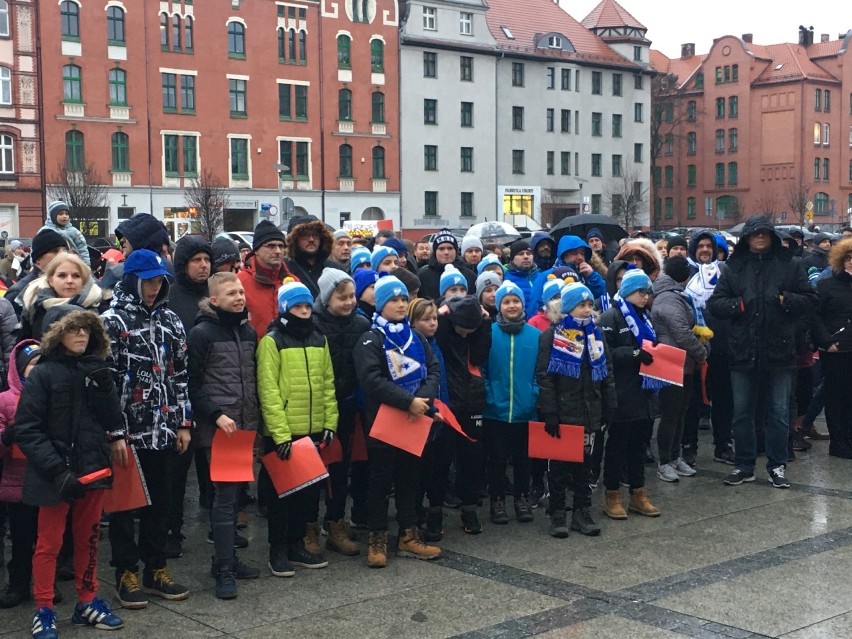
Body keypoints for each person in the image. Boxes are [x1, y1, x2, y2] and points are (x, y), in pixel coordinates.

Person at [14, 307, 124, 638]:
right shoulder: (43, 374)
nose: (80, 335)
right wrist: (56, 471)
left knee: (88, 540)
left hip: (92, 471)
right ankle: (44, 608)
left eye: (86, 330)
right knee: (48, 543)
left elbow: (110, 420)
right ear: (57, 334)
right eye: (72, 329)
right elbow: (28, 428)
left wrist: (105, 390)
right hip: (55, 476)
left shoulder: (98, 369)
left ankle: (87, 600)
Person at [101, 249, 191, 609]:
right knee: (124, 505)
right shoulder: (112, 321)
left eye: (158, 281)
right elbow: (104, 382)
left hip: (164, 429)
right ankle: (126, 570)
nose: (154, 288)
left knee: (160, 501)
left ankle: (156, 567)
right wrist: (115, 431)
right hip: (128, 431)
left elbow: (181, 374)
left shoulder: (171, 320)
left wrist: (183, 422)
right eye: (148, 281)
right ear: (132, 280)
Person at [708, 216, 816, 487]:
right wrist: (739, 306)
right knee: (742, 412)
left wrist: (787, 300)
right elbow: (715, 304)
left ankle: (777, 465)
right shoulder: (734, 268)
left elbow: (810, 300)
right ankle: (744, 465)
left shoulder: (790, 266)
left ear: (772, 237)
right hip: (743, 352)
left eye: (765, 234)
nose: (759, 238)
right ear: (746, 238)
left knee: (779, 412)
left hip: (779, 352)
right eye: (754, 234)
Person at [354, 275, 442, 567]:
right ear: (380, 304)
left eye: (404, 299)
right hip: (384, 422)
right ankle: (377, 538)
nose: (401, 304)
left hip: (413, 420)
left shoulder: (414, 336)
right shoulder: (371, 338)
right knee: (380, 481)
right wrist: (407, 401)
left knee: (409, 479)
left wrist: (423, 401)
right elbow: (371, 380)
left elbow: (432, 370)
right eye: (393, 299)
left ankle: (408, 534)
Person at [186, 272, 260, 599]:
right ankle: (224, 569)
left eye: (241, 291)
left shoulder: (248, 332)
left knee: (237, 497)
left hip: (244, 426)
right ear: (214, 300)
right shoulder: (202, 333)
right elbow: (191, 385)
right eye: (231, 293)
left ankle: (228, 559)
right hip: (220, 429)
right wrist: (215, 414)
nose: (239, 297)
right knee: (225, 499)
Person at [257, 278, 337, 576]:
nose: (304, 311)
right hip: (285, 433)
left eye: (307, 305)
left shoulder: (319, 338)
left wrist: (330, 421)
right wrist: (279, 434)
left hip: (313, 429)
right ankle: (277, 549)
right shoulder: (272, 341)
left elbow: (327, 383)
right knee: (281, 498)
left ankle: (295, 544)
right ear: (286, 309)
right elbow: (269, 390)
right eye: (298, 306)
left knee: (307, 497)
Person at [536, 282, 615, 538]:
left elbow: (607, 372)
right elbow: (545, 376)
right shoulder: (552, 335)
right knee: (558, 469)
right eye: (581, 305)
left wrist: (609, 403)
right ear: (568, 308)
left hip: (590, 410)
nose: (586, 309)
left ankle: (582, 512)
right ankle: (557, 513)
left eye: (589, 304)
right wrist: (550, 411)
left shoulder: (596, 334)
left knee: (585, 467)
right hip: (563, 412)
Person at [312, 269, 369, 554]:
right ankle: (307, 527)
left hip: (345, 406)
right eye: (341, 297)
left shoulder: (360, 324)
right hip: (315, 408)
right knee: (312, 471)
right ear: (326, 298)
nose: (348, 302)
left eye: (351, 296)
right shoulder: (312, 324)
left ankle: (334, 522)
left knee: (339, 468)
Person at [163, 235, 213, 556]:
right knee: (177, 471)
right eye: (196, 260)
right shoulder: (171, 296)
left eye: (206, 259)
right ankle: (172, 529)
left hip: (211, 392)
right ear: (183, 264)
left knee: (213, 467)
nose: (203, 265)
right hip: (179, 393)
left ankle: (219, 527)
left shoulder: (216, 293)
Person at [599, 270, 661, 519]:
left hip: (644, 393)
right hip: (621, 393)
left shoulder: (645, 317)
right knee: (616, 447)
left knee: (639, 446)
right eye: (640, 292)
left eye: (648, 292)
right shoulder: (611, 316)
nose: (645, 297)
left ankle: (638, 492)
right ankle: (612, 494)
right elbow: (605, 353)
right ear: (627, 292)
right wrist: (634, 354)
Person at [483, 281, 539, 524]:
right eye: (506, 302)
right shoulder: (488, 333)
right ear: (498, 306)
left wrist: (534, 394)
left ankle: (522, 497)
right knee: (496, 458)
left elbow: (540, 370)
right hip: (495, 410)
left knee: (523, 458)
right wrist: (489, 395)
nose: (512, 305)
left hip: (526, 409)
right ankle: (497, 500)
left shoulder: (535, 335)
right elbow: (482, 369)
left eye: (516, 300)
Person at [435, 293, 491, 534]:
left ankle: (469, 508)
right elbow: (438, 338)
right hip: (447, 402)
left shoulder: (478, 329)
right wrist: (443, 318)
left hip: (471, 400)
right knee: (440, 459)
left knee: (472, 459)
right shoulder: (445, 329)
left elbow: (479, 356)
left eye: (470, 329)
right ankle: (434, 509)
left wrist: (484, 325)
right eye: (461, 328)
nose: (464, 334)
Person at [650, 256, 708, 483]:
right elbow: (682, 331)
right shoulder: (668, 298)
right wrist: (701, 352)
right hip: (670, 362)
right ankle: (664, 461)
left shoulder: (677, 295)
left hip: (684, 364)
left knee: (680, 412)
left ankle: (675, 457)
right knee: (670, 414)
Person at [0, 341, 41, 609]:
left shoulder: (49, 394)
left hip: (45, 479)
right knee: (21, 536)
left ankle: (42, 584)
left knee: (46, 538)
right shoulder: (5, 400)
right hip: (17, 482)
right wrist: (7, 436)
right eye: (33, 366)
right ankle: (18, 583)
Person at [408, 298, 451, 542]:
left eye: (435, 318)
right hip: (421, 414)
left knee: (439, 469)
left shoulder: (436, 343)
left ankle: (436, 515)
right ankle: (413, 516)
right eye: (426, 319)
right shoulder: (413, 345)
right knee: (418, 471)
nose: (433, 323)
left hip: (441, 415)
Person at [812, 237, 852, 458]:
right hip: (836, 350)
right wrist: (826, 341)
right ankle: (838, 442)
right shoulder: (827, 285)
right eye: (848, 258)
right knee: (836, 396)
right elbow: (815, 316)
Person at [18, 253, 105, 340]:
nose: (70, 281)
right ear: (51, 280)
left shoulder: (98, 307)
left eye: (76, 276)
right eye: (62, 275)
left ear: (83, 281)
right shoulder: (36, 307)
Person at [238, 220, 295, 338]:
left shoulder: (293, 282)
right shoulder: (239, 283)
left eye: (281, 246)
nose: (278, 251)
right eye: (271, 246)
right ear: (256, 250)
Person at [530, 235, 606, 315]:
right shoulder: (548, 275)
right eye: (574, 253)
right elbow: (535, 306)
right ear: (563, 254)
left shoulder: (586, 275)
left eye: (582, 253)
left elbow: (602, 297)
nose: (580, 257)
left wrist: (592, 276)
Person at [99, 213, 170, 291]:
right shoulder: (170, 269)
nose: (122, 240)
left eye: (128, 236)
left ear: (141, 239)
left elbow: (101, 300)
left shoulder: (117, 273)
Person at [6, 230, 69, 313]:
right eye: (55, 251)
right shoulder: (18, 292)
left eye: (65, 250)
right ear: (38, 260)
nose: (62, 254)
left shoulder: (75, 284)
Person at [284, 216, 344, 297]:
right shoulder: (284, 268)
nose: (311, 239)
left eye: (315, 235)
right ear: (295, 239)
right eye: (305, 235)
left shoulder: (335, 268)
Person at [417, 230, 476, 300]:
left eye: (450, 248)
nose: (446, 252)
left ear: (456, 251)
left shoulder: (470, 276)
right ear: (435, 251)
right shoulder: (422, 276)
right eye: (441, 249)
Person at [40, 202, 90, 267]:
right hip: (52, 265)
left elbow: (82, 249)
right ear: (53, 216)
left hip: (73, 264)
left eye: (66, 214)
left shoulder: (74, 231)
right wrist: (34, 265)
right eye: (61, 214)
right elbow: (37, 249)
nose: (64, 216)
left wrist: (86, 265)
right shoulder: (45, 231)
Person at [503, 239, 539, 318]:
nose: (526, 256)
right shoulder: (505, 279)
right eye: (521, 254)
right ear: (513, 258)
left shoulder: (541, 276)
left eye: (529, 253)